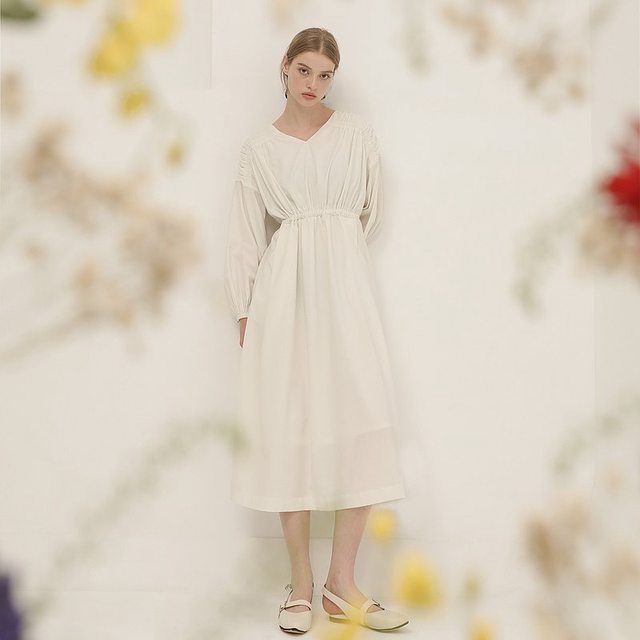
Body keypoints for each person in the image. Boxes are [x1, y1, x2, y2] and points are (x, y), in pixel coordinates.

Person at [223, 27, 409, 633]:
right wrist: (244, 310)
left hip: (347, 294)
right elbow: (245, 234)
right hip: (282, 299)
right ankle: (300, 584)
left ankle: (341, 583)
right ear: (285, 66)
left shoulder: (355, 135)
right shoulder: (258, 149)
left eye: (325, 75)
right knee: (290, 430)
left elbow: (368, 214)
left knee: (362, 419)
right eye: (304, 70)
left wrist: (335, 255)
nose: (313, 84)